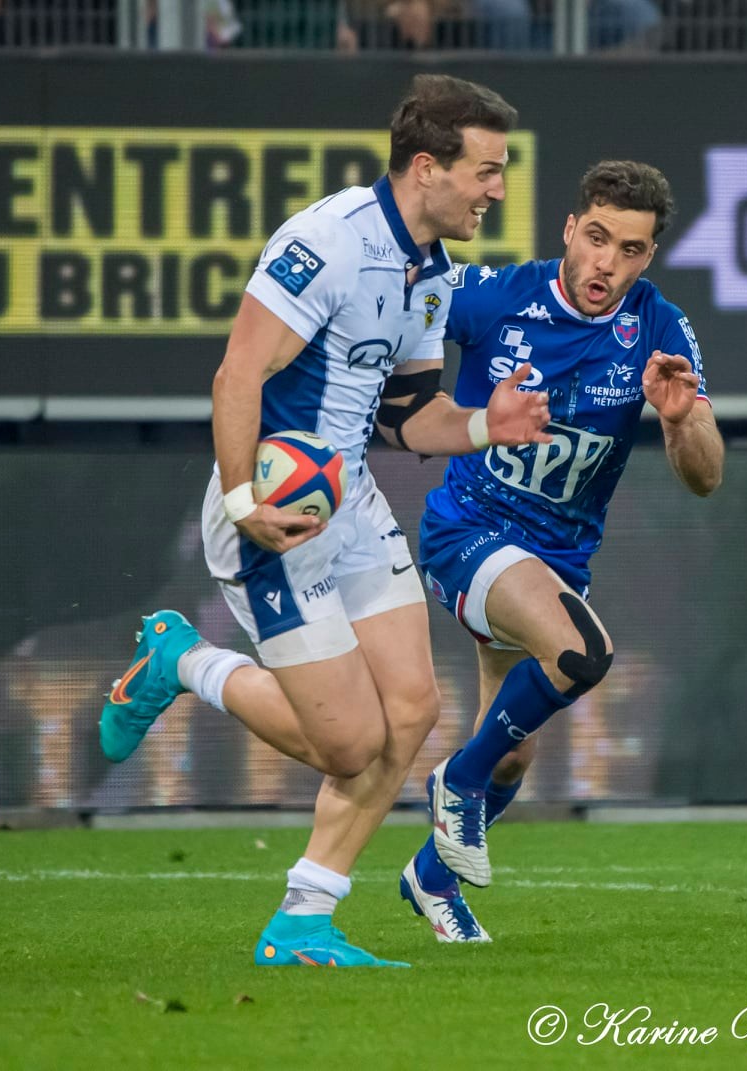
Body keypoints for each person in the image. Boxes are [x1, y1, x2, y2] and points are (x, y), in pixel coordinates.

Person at [97, 73, 551, 967]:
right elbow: (238, 375)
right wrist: (243, 503)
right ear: (427, 166)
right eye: (486, 171)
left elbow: (408, 415)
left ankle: (304, 918)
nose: (497, 190)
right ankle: (181, 659)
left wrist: (480, 426)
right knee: (350, 744)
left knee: (413, 710)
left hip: (352, 499)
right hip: (278, 512)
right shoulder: (328, 241)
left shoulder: (431, 271)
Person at [390, 160, 724, 942]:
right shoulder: (496, 298)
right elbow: (396, 314)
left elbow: (705, 478)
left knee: (512, 762)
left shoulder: (660, 329)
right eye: (598, 238)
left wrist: (680, 420)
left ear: (648, 258)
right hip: (467, 532)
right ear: (571, 230)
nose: (608, 262)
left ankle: (430, 879)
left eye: (631, 249)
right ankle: (453, 781)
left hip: (553, 563)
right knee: (582, 653)